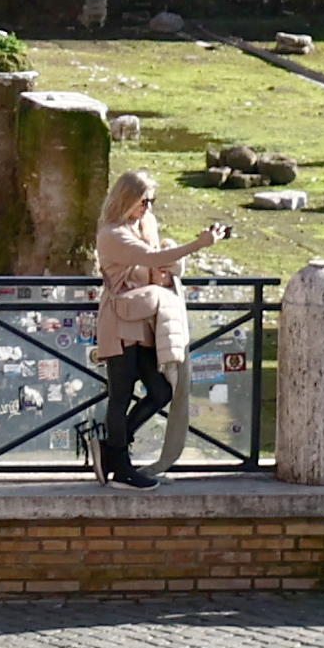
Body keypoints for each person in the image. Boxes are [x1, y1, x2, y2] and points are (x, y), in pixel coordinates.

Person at [91, 168, 237, 483]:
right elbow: (154, 260)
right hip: (118, 324)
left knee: (160, 391)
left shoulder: (143, 224)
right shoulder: (112, 234)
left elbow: (157, 265)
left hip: (143, 322)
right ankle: (121, 466)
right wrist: (200, 243)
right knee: (121, 393)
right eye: (144, 201)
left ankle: (111, 449)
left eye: (152, 201)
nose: (148, 208)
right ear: (127, 198)